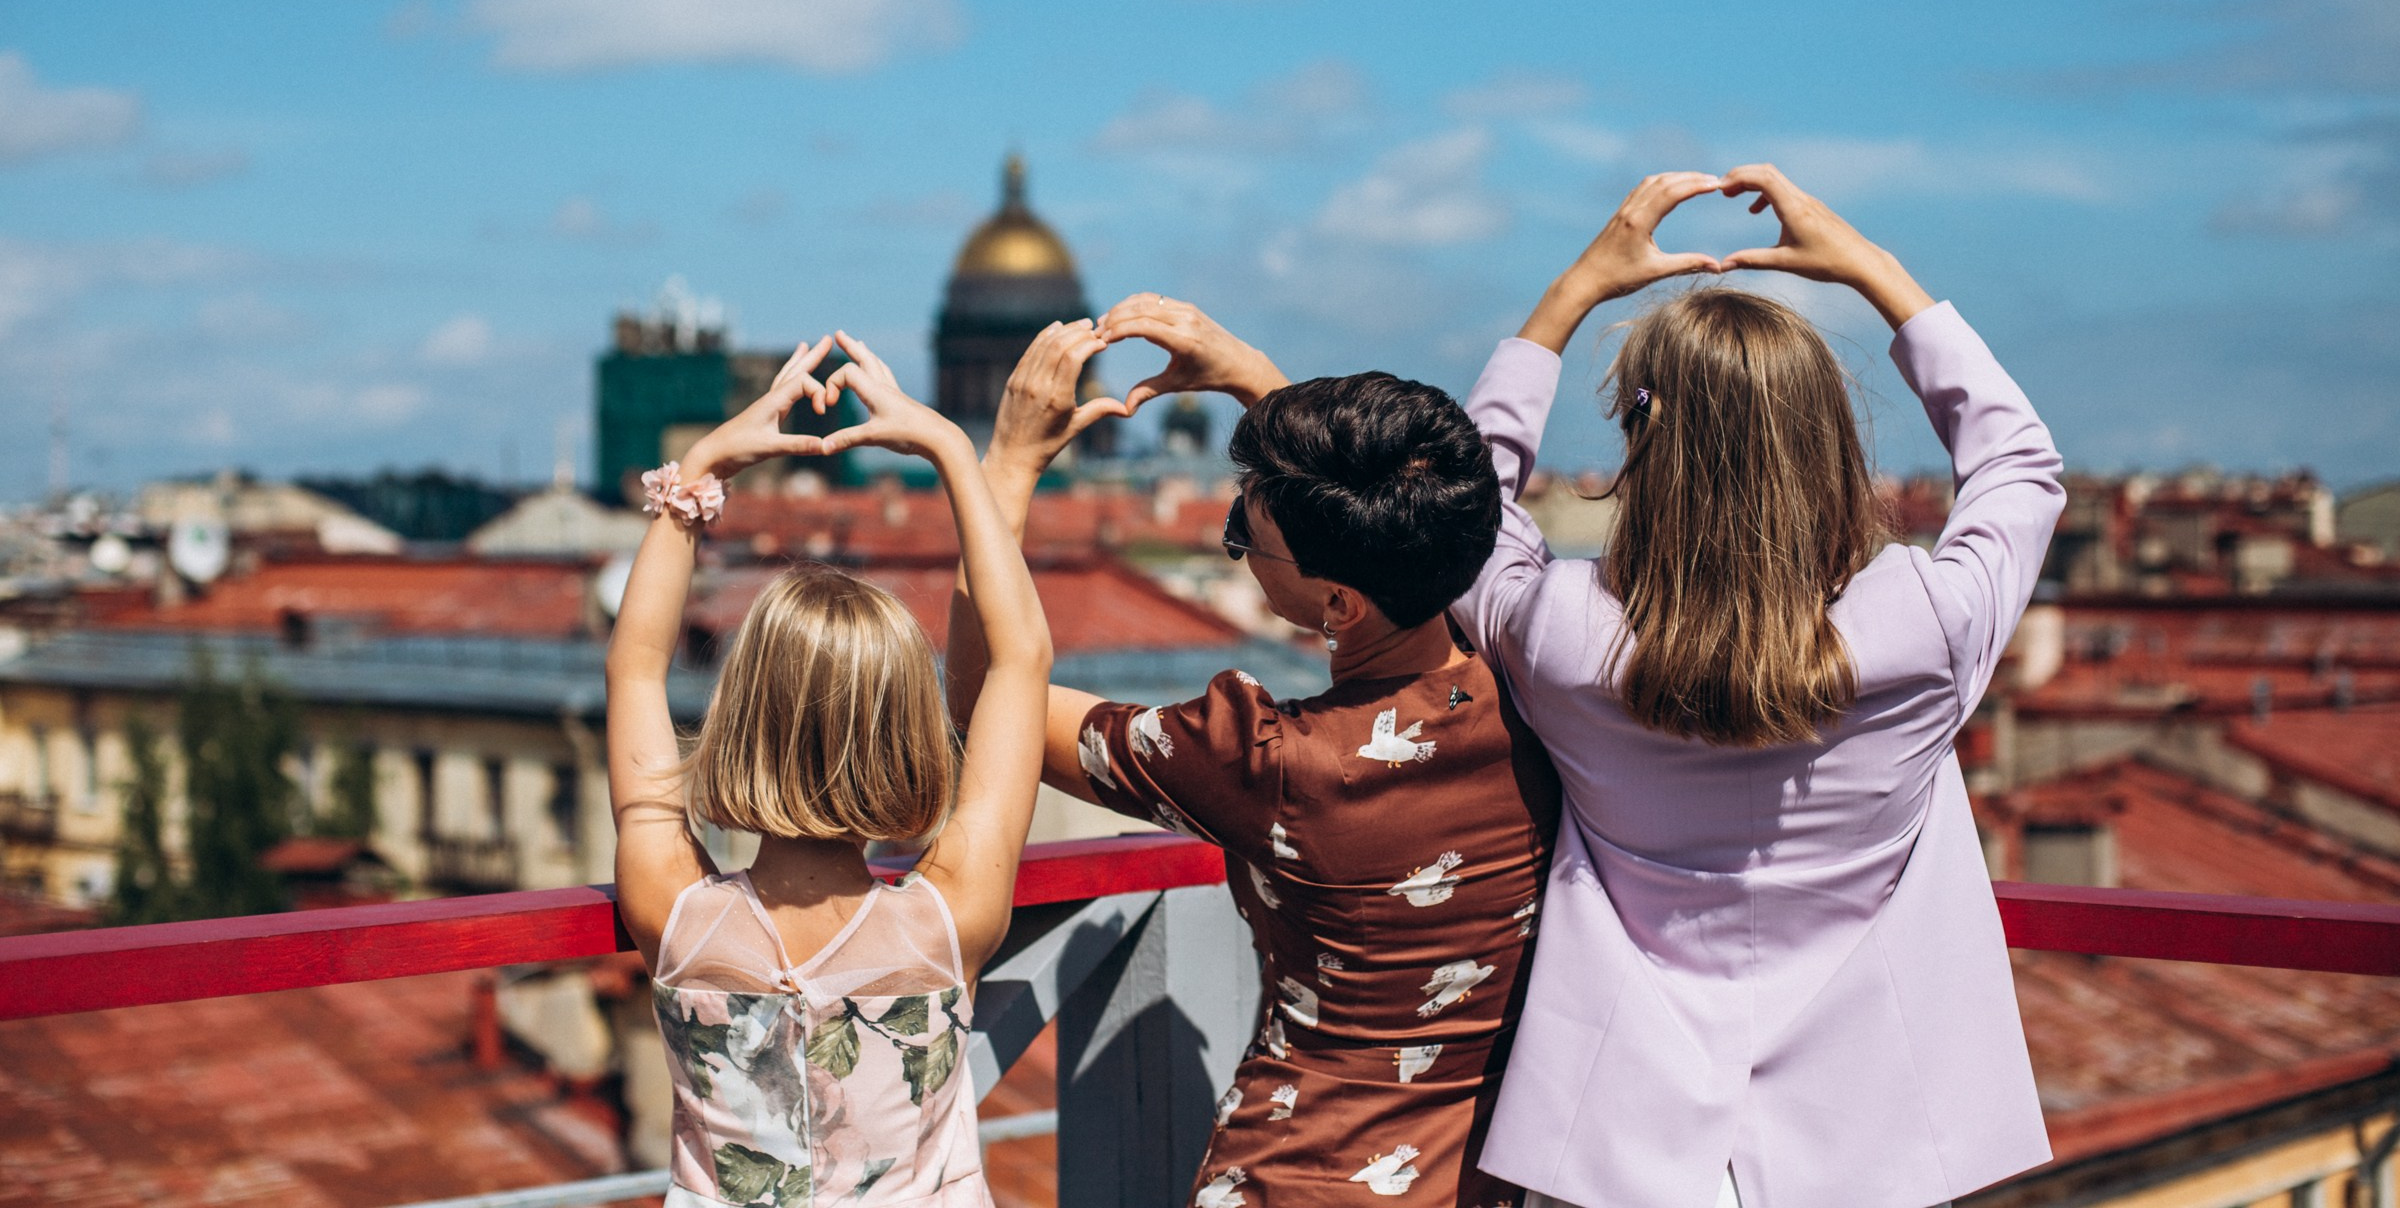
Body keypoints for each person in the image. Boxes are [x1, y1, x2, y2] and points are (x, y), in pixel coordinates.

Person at [1453, 166, 2065, 1208]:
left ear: (1640, 445)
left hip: (1620, 1152)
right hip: (1871, 1153)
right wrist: (1876, 272)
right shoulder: (1928, 626)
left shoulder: (1560, 637)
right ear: (1829, 443)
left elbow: (1463, 510)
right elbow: (2020, 466)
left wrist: (1568, 297)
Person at [941, 312, 1560, 1207]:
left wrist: (1005, 464)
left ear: (1338, 605)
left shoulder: (1269, 762)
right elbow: (1392, 512)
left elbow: (986, 700)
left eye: (1244, 535)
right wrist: (1249, 373)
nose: (1234, 547)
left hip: (1296, 1179)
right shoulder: (1530, 680)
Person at [606, 332, 1054, 1208]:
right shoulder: (949, 919)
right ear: (908, 738)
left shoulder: (674, 912)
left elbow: (635, 666)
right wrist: (950, 451)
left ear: (741, 721)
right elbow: (1020, 659)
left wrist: (702, 468)